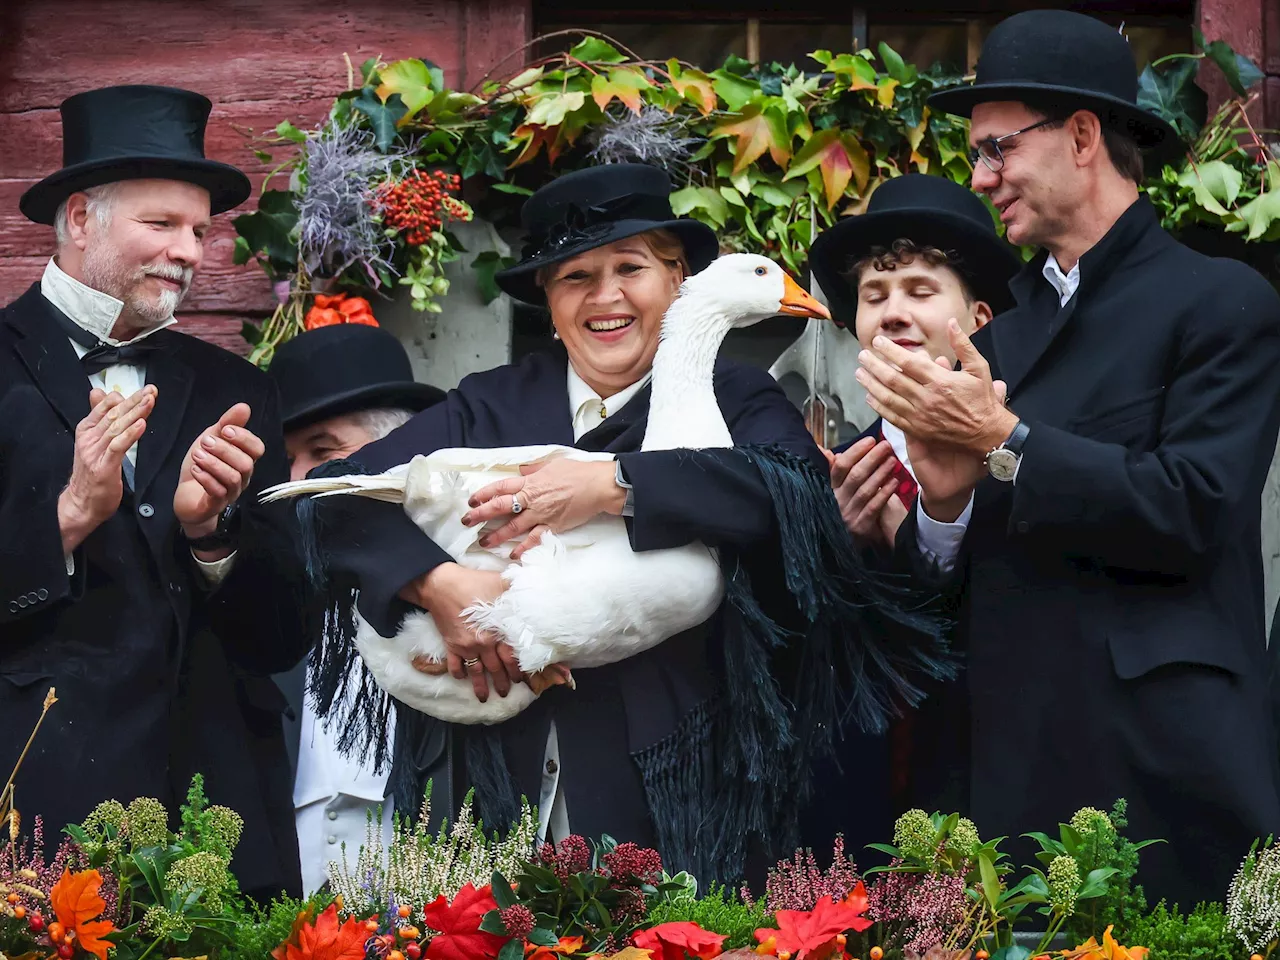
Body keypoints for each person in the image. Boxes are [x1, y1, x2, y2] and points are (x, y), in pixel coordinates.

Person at [297, 163, 946, 885]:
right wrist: (436, 582)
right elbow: (331, 497)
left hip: (675, 799)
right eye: (574, 277)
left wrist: (614, 484)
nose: (606, 297)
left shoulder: (740, 398)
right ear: (547, 302)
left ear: (678, 281)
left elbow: (788, 496)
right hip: (493, 791)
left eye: (630, 268)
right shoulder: (488, 405)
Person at [856, 10, 1280, 905]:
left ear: (1083, 136)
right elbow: (962, 583)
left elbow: (1195, 508)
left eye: (997, 147)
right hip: (1000, 774)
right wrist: (936, 513)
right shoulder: (996, 336)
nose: (981, 177)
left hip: (1158, 767)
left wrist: (1003, 444)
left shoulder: (1219, 298)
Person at [0, 85, 308, 900]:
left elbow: (283, 635)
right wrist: (66, 519)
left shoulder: (237, 389)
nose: (190, 251)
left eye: (201, 230)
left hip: (218, 815)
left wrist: (214, 538)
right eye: (161, 224)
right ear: (78, 220)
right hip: (34, 816)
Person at [802, 173, 1021, 852]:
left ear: (979, 320)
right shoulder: (832, 469)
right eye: (874, 295)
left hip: (989, 784)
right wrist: (830, 547)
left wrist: (919, 538)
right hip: (856, 808)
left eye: (920, 291)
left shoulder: (1020, 450)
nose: (893, 311)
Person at [267, 322, 445, 895]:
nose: (297, 479)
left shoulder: (462, 589)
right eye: (286, 458)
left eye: (323, 452)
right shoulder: (257, 605)